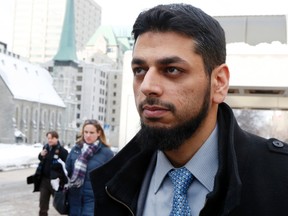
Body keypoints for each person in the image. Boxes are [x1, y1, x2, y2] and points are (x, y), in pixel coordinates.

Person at [89, 3, 288, 216]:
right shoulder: (110, 182)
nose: (147, 86)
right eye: (140, 70)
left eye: (172, 70)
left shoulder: (280, 177)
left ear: (219, 83)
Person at [66, 119, 114, 216]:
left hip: (93, 201)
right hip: (75, 199)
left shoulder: (106, 153)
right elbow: (67, 171)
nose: (88, 135)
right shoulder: (75, 149)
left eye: (91, 132)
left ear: (99, 133)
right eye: (86, 132)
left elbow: (112, 179)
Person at [32, 131, 68, 216]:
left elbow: (67, 166)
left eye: (52, 138)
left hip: (56, 182)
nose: (50, 140)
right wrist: (41, 155)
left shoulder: (62, 151)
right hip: (44, 181)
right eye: (48, 138)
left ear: (56, 138)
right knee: (43, 204)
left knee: (60, 204)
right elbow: (42, 159)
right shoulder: (46, 148)